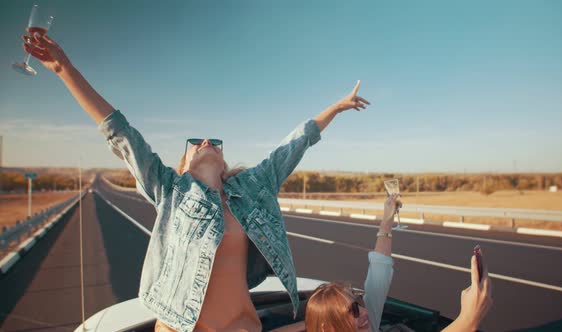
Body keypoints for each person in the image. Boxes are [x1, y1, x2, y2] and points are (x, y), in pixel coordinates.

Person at [22, 32, 371, 332]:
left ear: (223, 162)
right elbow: (119, 131)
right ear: (184, 164)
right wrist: (63, 68)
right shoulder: (171, 190)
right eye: (196, 143)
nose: (206, 143)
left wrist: (335, 108)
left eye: (214, 143)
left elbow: (294, 144)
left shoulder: (251, 188)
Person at [273, 194, 493, 332]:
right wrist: (469, 319)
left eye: (358, 302)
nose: (364, 311)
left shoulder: (367, 324)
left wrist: (386, 220)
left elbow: (379, 270)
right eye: (352, 311)